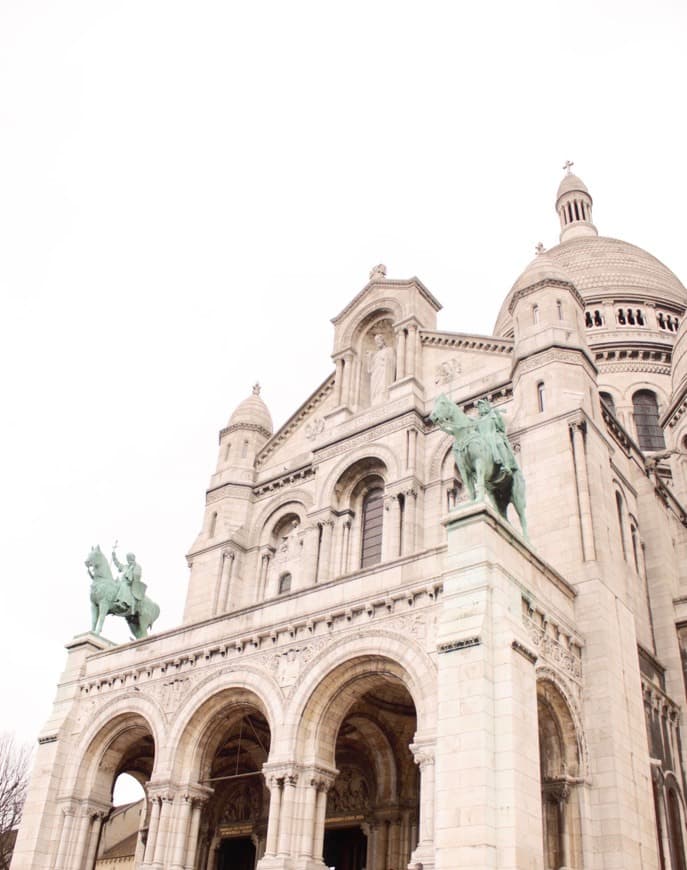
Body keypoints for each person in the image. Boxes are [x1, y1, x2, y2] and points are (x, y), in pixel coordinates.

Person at [476, 398, 518, 471]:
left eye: (482, 406)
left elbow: (501, 427)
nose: (481, 408)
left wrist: (497, 416)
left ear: (486, 407)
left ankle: (507, 465)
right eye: (480, 407)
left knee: (499, 443)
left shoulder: (492, 416)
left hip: (493, 435)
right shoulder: (478, 421)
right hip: (483, 439)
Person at [112, 547, 147, 618]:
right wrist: (114, 556)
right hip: (122, 581)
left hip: (131, 584)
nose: (128, 559)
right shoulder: (125, 567)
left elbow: (137, 576)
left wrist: (132, 581)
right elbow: (118, 564)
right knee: (115, 585)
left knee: (124, 586)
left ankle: (123, 603)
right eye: (127, 558)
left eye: (130, 558)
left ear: (133, 558)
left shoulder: (137, 566)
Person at [366, 333, 395, 405]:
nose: (377, 343)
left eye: (378, 340)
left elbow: (392, 363)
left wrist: (384, 361)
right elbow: (370, 370)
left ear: (383, 340)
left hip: (384, 372)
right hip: (376, 375)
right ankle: (376, 400)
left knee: (383, 386)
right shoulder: (375, 355)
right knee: (376, 390)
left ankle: (384, 397)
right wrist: (369, 358)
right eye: (376, 342)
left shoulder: (389, 350)